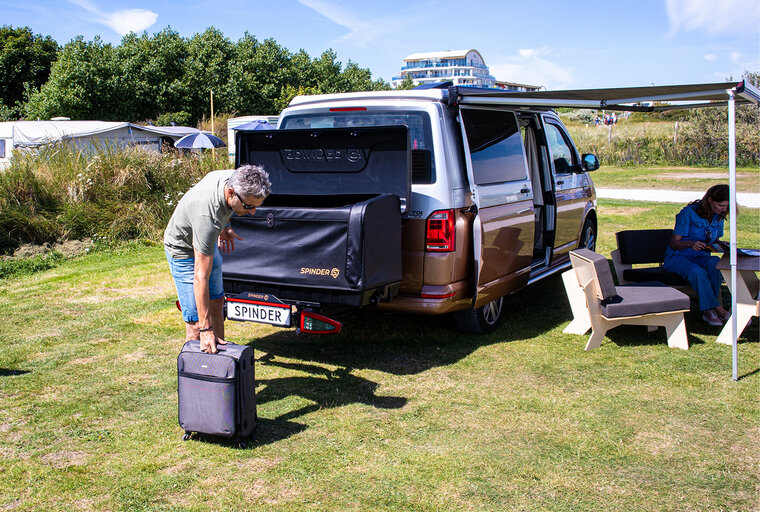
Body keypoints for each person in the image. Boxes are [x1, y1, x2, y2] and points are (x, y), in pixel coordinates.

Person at [164, 164, 271, 353]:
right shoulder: (207, 218)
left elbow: (222, 207)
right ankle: (197, 376)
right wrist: (206, 329)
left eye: (256, 207)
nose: (252, 212)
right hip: (184, 251)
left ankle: (220, 370)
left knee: (217, 303)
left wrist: (225, 226)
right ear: (231, 192)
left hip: (208, 238)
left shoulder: (233, 177)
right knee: (197, 323)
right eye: (248, 206)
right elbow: (200, 276)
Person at [663, 184, 730, 326]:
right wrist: (690, 244)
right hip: (678, 257)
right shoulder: (688, 213)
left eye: (726, 206)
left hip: (701, 257)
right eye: (721, 205)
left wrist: (720, 244)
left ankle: (709, 311)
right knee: (697, 272)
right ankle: (719, 310)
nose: (724, 209)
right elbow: (674, 243)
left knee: (714, 265)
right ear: (710, 200)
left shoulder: (718, 216)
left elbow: (714, 239)